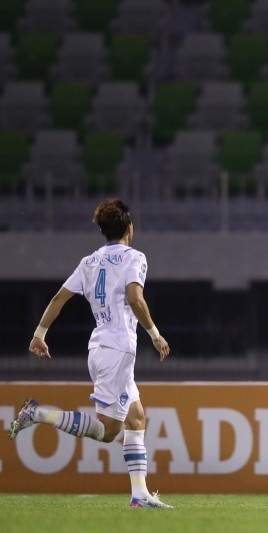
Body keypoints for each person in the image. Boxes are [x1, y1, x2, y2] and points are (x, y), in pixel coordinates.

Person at [7, 198, 174, 509]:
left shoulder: (89, 262)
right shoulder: (134, 258)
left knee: (136, 419)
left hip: (98, 348)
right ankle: (38, 413)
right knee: (108, 432)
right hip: (118, 351)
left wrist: (38, 335)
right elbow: (135, 299)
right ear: (129, 229)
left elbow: (59, 298)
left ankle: (140, 495)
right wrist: (155, 334)